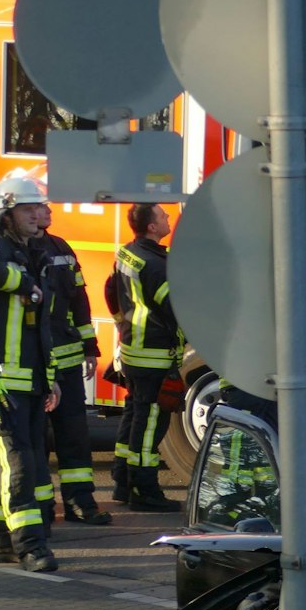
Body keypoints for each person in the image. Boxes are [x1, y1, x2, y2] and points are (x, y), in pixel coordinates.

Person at [0, 175, 61, 571]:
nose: (36, 215)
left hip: (28, 380)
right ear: (6, 213)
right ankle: (30, 547)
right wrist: (22, 283)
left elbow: (39, 327)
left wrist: (50, 377)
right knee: (17, 464)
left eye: (37, 208)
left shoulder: (33, 252)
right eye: (27, 209)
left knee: (12, 466)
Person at [36, 206, 109, 524]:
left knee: (75, 435)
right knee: (35, 439)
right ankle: (40, 507)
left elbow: (79, 299)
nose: (46, 211)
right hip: (32, 364)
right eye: (38, 206)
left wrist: (90, 347)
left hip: (66, 361)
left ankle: (80, 502)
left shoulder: (61, 248)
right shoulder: (13, 252)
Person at [106, 203, 181, 513]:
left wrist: (121, 323)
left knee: (134, 416)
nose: (168, 218)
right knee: (150, 424)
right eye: (163, 216)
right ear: (152, 227)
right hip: (154, 355)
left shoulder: (128, 252)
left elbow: (110, 289)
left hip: (133, 350)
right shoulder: (156, 266)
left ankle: (122, 482)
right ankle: (144, 490)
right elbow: (176, 310)